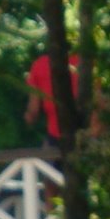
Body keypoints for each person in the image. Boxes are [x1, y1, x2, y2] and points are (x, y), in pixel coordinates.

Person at [24, 52, 79, 208]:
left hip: (56, 135)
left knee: (50, 181)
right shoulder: (86, 62)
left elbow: (33, 110)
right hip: (85, 133)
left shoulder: (39, 65)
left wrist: (28, 118)